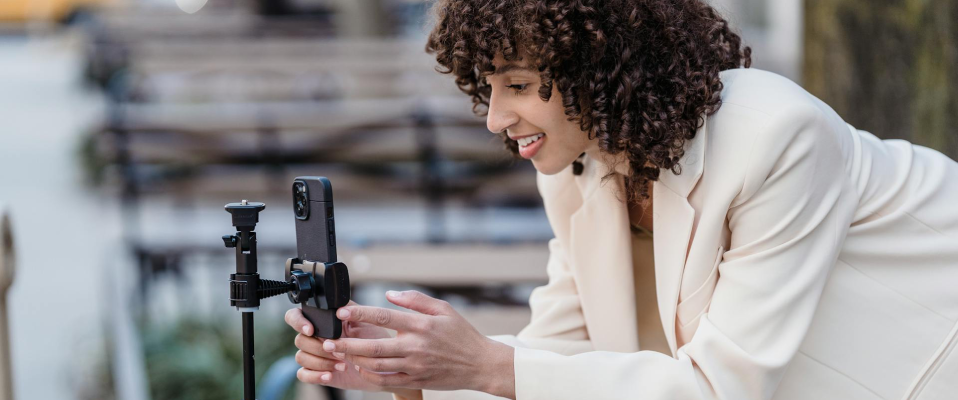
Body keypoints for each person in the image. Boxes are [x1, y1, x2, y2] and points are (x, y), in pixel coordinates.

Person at [285, 0, 958, 399]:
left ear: (597, 66)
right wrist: (409, 368)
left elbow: (719, 388)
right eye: (487, 87)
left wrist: (487, 363)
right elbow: (557, 355)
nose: (493, 118)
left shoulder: (776, 136)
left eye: (517, 85)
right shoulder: (577, 171)